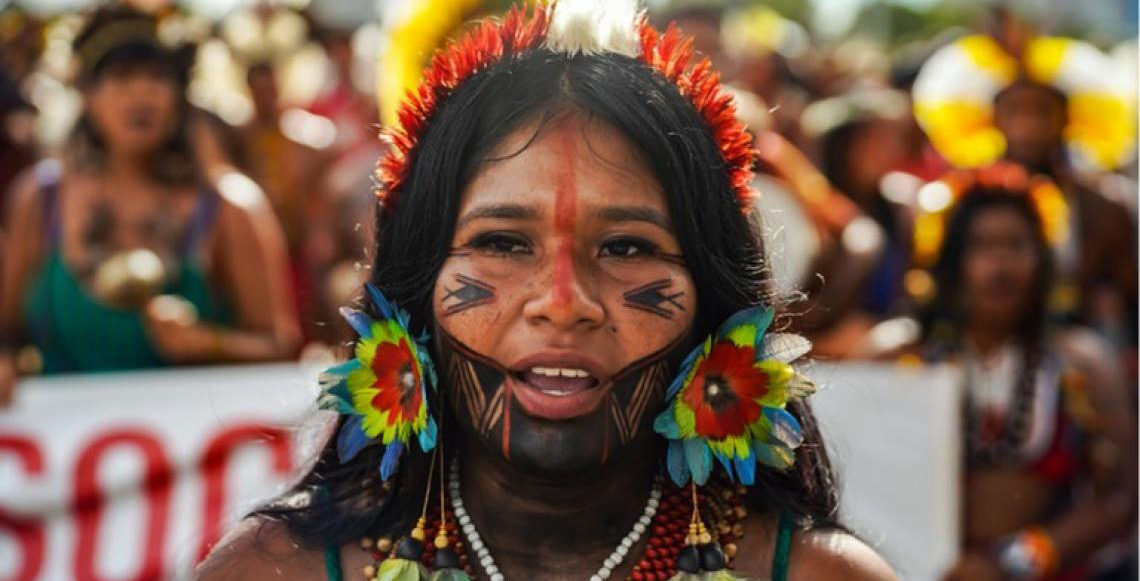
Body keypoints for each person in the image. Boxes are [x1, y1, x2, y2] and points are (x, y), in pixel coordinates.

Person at [195, 3, 896, 581]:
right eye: (502, 243)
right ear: (413, 290)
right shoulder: (273, 570)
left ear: (717, 306)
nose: (562, 301)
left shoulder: (818, 572)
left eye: (626, 247)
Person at [0, 6, 300, 404]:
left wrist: (208, 343)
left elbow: (283, 348)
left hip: (194, 452)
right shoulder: (39, 200)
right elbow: (8, 331)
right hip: (62, 454)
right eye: (121, 78)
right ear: (87, 94)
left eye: (158, 78)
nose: (142, 93)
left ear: (180, 96)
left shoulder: (230, 206)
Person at [914, 164, 1136, 581]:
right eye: (981, 245)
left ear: (1043, 259)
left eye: (1015, 244)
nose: (999, 263)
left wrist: (1017, 561)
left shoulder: (1083, 362)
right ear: (951, 259)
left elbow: (1120, 498)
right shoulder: (904, 357)